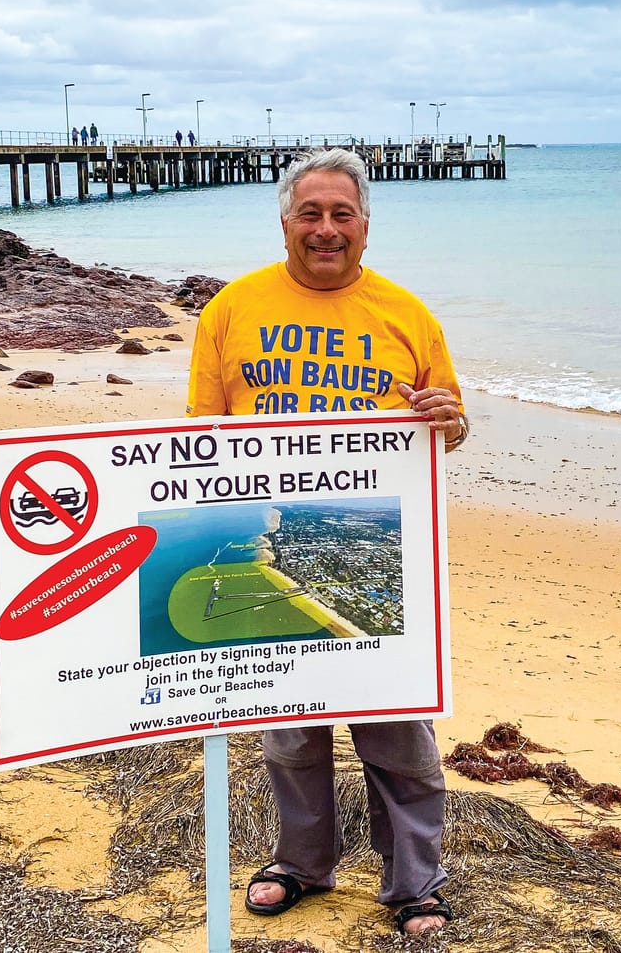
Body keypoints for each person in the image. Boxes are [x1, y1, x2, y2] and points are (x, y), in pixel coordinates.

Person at [187, 148, 467, 936]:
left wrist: (451, 419)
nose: (325, 229)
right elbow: (199, 435)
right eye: (310, 213)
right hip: (269, 538)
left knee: (398, 731)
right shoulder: (232, 310)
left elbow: (451, 424)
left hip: (375, 542)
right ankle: (303, 862)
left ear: (366, 228)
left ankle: (416, 882)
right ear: (285, 222)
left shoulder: (407, 315)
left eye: (342, 214)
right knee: (291, 730)